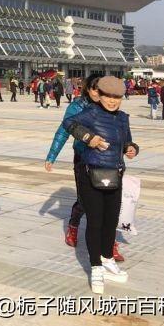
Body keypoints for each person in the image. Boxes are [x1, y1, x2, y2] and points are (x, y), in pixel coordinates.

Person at [63, 76, 138, 294]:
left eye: (117, 97)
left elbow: (127, 140)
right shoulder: (91, 113)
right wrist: (88, 137)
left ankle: (107, 259)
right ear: (100, 95)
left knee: (110, 221)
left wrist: (132, 148)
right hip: (91, 175)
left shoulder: (122, 118)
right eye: (108, 96)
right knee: (95, 222)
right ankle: (95, 266)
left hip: (115, 175)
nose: (112, 101)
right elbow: (68, 123)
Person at [44, 74, 124, 260]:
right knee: (84, 201)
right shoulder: (77, 107)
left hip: (108, 160)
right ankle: (73, 225)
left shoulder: (109, 106)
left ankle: (110, 244)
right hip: (83, 159)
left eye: (101, 89)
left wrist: (127, 148)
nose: (98, 93)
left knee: (109, 204)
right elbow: (63, 131)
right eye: (95, 88)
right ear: (88, 89)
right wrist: (51, 156)